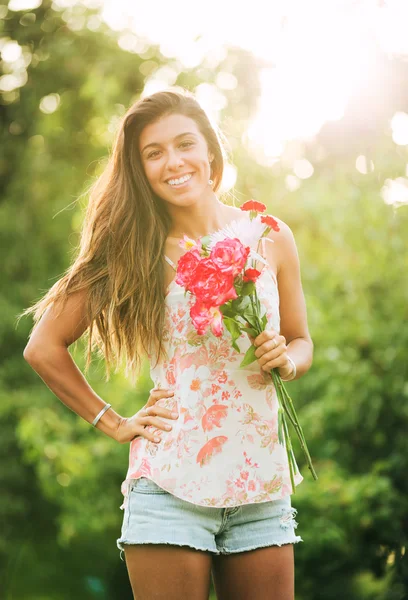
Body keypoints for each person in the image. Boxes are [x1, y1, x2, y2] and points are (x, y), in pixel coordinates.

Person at [22, 88, 313, 600]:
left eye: (184, 144)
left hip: (262, 487)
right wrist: (113, 423)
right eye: (153, 153)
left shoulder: (269, 235)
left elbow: (302, 340)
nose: (172, 162)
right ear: (140, 170)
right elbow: (43, 346)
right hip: (171, 485)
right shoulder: (132, 250)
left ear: (209, 152)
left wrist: (287, 360)